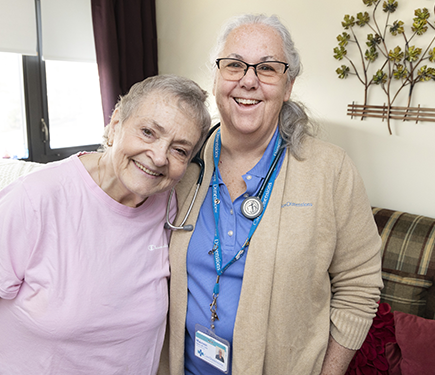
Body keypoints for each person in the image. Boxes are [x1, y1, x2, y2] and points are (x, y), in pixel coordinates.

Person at [0, 74, 211, 375]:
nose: (159, 157)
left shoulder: (169, 207)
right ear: (117, 122)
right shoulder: (36, 199)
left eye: (180, 150)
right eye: (148, 132)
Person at [158, 14, 383, 375]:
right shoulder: (184, 162)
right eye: (234, 65)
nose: (248, 81)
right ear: (216, 78)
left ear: (288, 84)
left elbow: (359, 287)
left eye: (267, 68)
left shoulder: (330, 170)